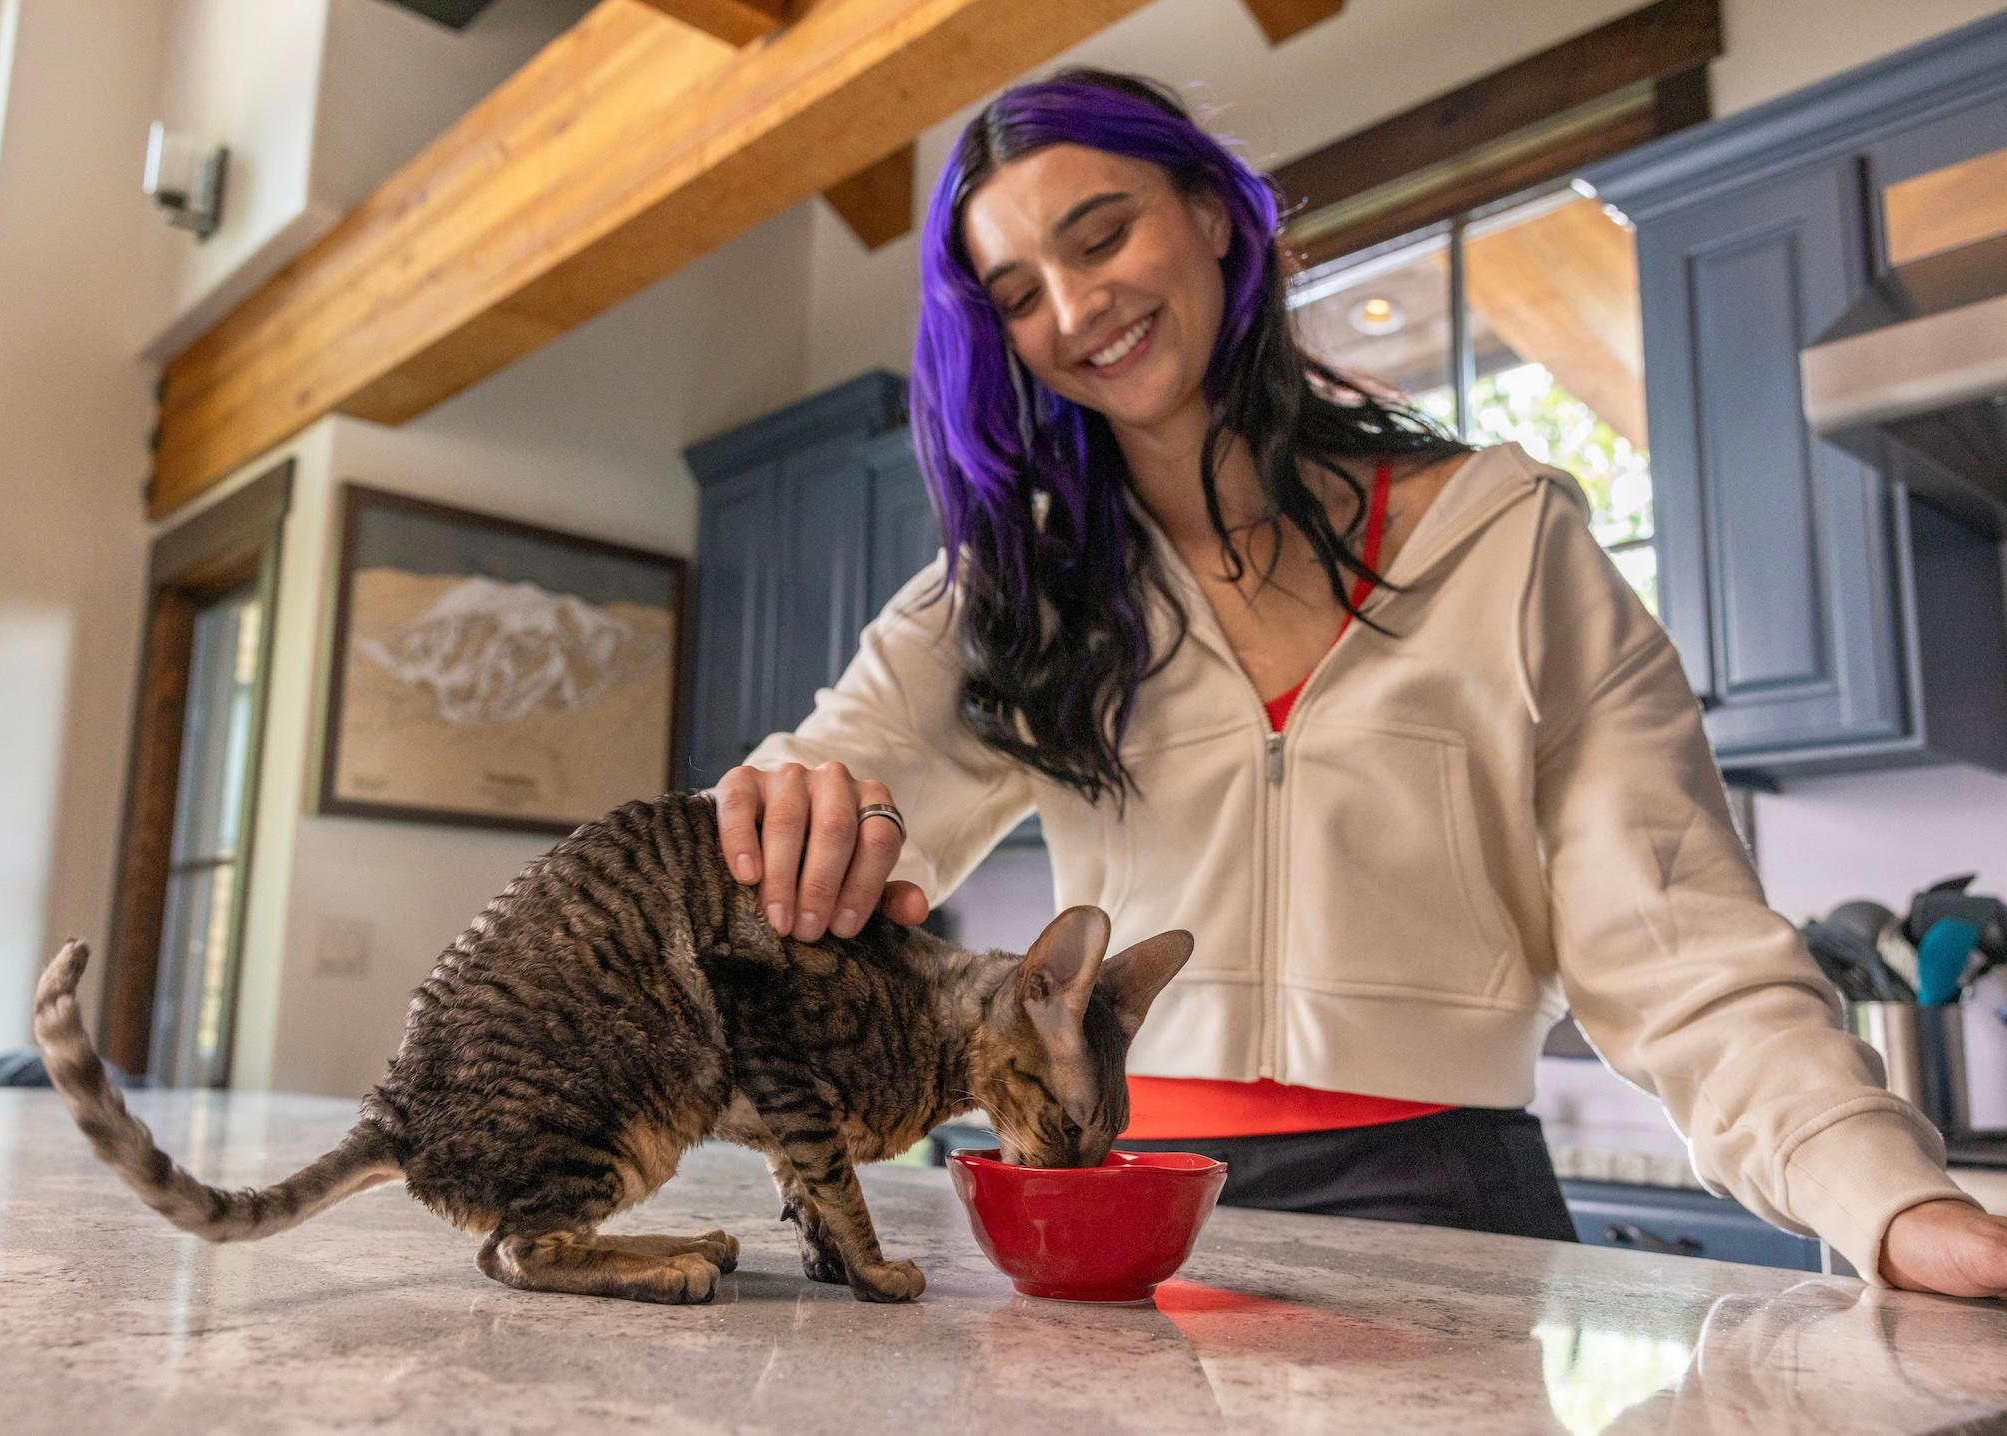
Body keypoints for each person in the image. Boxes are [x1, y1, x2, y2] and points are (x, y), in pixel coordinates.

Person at [713, 67, 2006, 1298]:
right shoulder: (1018, 589)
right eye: (1018, 293)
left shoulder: (1507, 541)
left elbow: (1681, 943)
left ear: (1212, 214)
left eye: (1101, 236)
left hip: (1445, 1198)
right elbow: (824, 796)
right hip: (1116, 1202)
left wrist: (1897, 1203)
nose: (1073, 305)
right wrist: (789, 828)